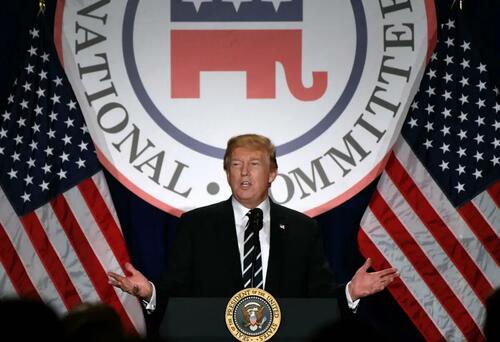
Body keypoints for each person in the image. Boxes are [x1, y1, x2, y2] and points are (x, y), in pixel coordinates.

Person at [108, 134, 398, 317]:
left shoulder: (302, 229)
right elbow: (176, 290)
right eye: (235, 164)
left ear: (272, 173)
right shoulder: (197, 225)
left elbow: (319, 297)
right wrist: (150, 292)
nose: (244, 171)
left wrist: (351, 291)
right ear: (227, 172)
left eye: (254, 164)